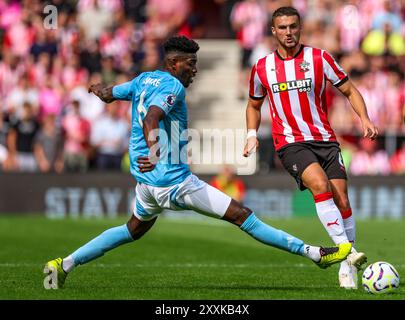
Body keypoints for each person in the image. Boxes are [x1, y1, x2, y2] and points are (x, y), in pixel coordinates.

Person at [43, 36, 358, 290]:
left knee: (132, 229)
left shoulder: (144, 79)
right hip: (173, 182)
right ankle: (314, 254)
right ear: (174, 63)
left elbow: (112, 93)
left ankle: (63, 264)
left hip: (146, 184)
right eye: (191, 64)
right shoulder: (172, 87)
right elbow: (153, 116)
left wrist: (99, 89)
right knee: (242, 215)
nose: (195, 70)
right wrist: (155, 152)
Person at [243, 7, 377, 289]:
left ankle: (345, 266)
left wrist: (364, 118)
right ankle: (350, 252)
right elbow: (254, 105)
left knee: (343, 201)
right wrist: (251, 134)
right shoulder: (262, 67)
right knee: (319, 184)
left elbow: (350, 89)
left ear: (300, 27)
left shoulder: (320, 58)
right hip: (290, 141)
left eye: (293, 26)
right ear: (273, 30)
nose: (288, 32)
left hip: (325, 139)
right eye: (282, 27)